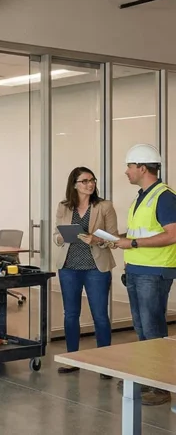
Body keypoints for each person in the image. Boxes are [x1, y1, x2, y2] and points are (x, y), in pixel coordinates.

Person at [112, 144, 176, 406]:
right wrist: (119, 239)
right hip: (138, 270)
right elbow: (143, 232)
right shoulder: (142, 196)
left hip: (155, 271)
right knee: (140, 327)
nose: (126, 172)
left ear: (142, 167)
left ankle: (161, 387)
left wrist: (133, 244)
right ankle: (146, 376)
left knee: (153, 328)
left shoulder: (165, 196)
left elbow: (172, 234)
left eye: (129, 166)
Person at [52, 166, 117, 376]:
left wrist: (96, 239)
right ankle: (72, 359)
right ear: (74, 185)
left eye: (92, 180)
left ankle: (105, 362)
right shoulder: (64, 207)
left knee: (99, 315)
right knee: (71, 314)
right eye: (85, 181)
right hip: (69, 267)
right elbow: (56, 236)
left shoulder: (104, 206)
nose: (90, 184)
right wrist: (62, 237)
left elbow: (114, 239)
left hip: (96, 268)